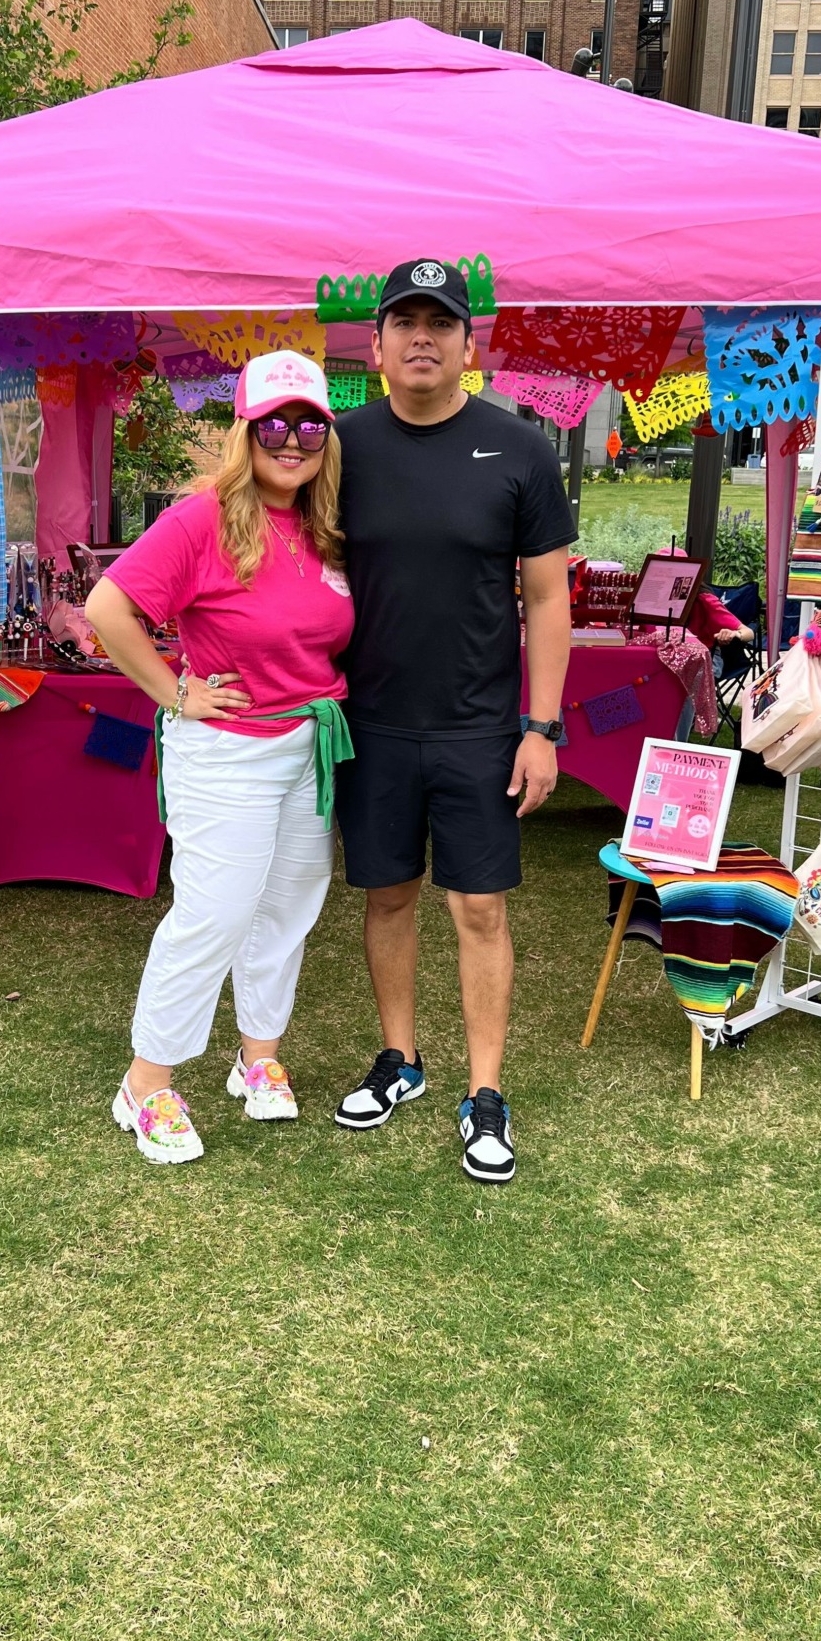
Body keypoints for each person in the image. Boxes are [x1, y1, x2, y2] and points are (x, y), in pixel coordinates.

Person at [332, 260, 575, 1185]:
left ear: (470, 346)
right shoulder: (339, 447)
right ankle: (400, 1060)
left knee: (479, 907)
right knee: (388, 896)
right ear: (377, 345)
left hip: (481, 729)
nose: (422, 338)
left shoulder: (519, 449)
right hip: (372, 725)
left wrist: (541, 728)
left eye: (441, 323)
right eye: (405, 323)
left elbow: (546, 599)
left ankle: (484, 1094)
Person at [85, 351, 353, 1166]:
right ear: (245, 431)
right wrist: (176, 692)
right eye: (274, 425)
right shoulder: (201, 519)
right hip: (228, 752)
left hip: (309, 746)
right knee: (216, 914)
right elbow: (107, 608)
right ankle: (145, 1084)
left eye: (310, 425)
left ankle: (258, 1057)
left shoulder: (326, 526)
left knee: (289, 907)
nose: (293, 441)